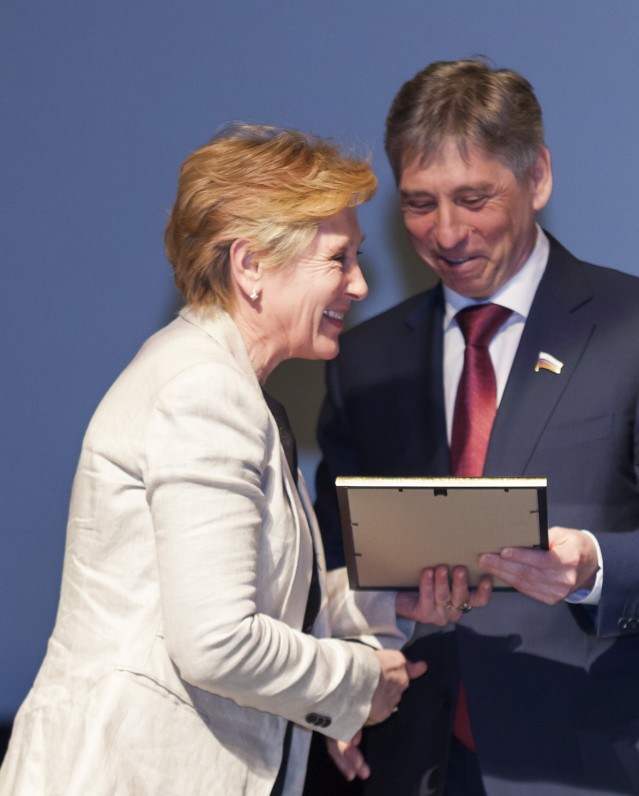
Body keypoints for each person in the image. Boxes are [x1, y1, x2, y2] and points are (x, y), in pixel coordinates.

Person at [312, 60, 639, 795]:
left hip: (593, 763)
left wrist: (594, 566)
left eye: (473, 198)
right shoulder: (366, 360)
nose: (446, 232)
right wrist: (342, 683)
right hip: (412, 761)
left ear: (538, 177)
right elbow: (331, 561)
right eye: (420, 204)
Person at [0, 123, 490, 796]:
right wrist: (358, 684)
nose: (358, 285)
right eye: (338, 259)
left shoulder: (225, 387)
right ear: (250, 265)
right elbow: (218, 642)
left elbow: (263, 600)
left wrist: (387, 602)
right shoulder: (205, 391)